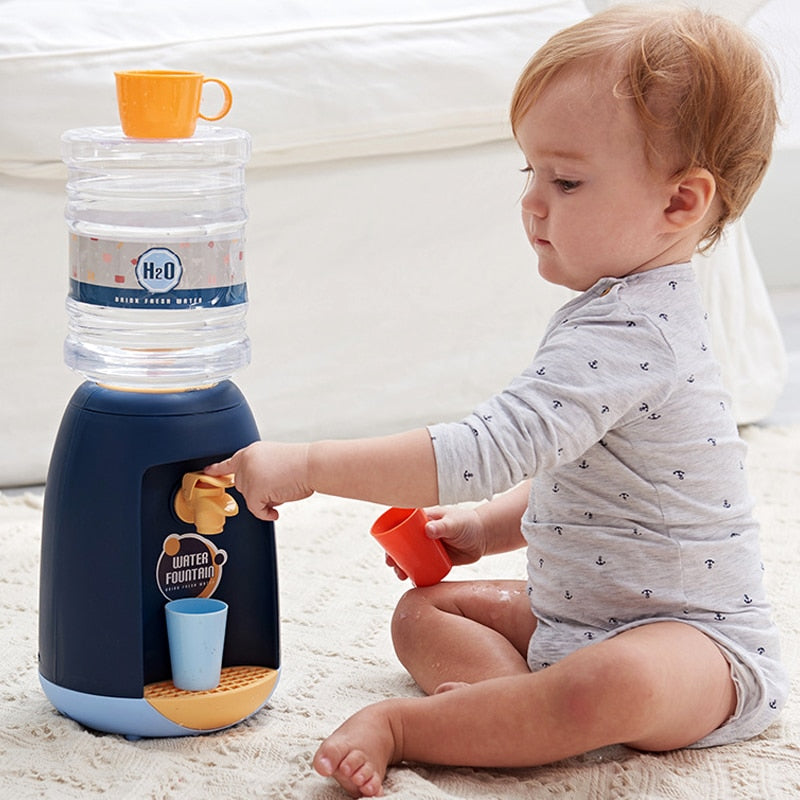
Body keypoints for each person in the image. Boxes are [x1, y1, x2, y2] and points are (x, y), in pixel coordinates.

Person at [206, 5, 788, 797]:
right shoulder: (611, 311)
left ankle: (416, 725)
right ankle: (503, 712)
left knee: (610, 681)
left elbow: (482, 451)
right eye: (531, 174)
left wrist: (309, 465)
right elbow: (594, 482)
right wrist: (484, 530)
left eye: (568, 180)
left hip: (697, 649)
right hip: (573, 620)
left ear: (681, 203)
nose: (534, 202)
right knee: (424, 614)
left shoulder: (636, 333)